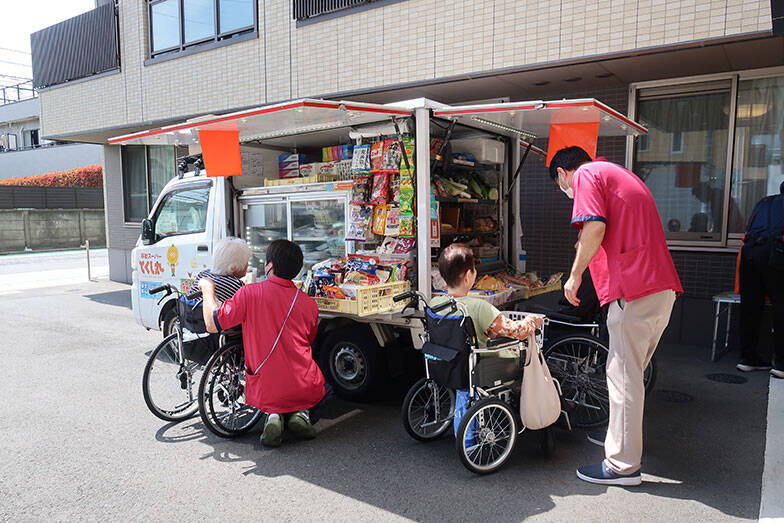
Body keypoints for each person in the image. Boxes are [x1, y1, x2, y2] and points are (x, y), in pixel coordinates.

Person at [550, 146, 682, 486]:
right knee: (629, 376)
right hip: (659, 288)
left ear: (563, 173)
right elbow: (592, 235)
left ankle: (622, 466)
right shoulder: (616, 174)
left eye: (559, 184)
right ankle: (620, 442)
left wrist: (574, 276)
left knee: (623, 378)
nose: (566, 192)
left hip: (634, 291)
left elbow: (593, 227)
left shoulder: (586, 175)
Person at [200, 239, 326, 448]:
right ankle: (300, 414)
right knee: (317, 382)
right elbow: (309, 340)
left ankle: (274, 415)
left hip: (265, 385)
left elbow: (213, 324)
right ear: (297, 270)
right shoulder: (309, 304)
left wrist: (207, 289)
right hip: (302, 383)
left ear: (269, 266)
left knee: (273, 390)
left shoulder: (249, 293)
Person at [432, 244, 544, 436]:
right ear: (468, 275)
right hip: (479, 366)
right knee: (521, 353)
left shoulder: (435, 303)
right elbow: (515, 331)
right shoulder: (479, 307)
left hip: (447, 363)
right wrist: (531, 322)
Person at [736, 181, 784, 379]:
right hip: (775, 255)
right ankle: (781, 363)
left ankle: (748, 358)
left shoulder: (764, 202)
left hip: (749, 255)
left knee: (750, 307)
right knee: (781, 307)